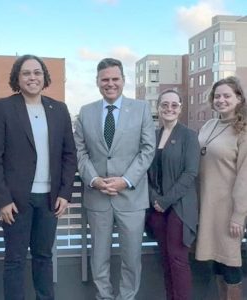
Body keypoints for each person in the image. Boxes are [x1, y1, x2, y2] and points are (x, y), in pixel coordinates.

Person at [0, 54, 77, 300]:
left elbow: (69, 154)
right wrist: (2, 199)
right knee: (14, 260)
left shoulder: (59, 109)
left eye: (37, 72)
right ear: (17, 77)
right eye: (26, 73)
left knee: (44, 257)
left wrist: (65, 194)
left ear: (44, 77)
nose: (32, 77)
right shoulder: (3, 107)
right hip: (15, 202)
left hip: (50, 200)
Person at [74, 58, 155, 300]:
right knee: (99, 258)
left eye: (115, 79)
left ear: (123, 80)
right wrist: (94, 180)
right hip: (98, 197)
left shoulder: (141, 109)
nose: (110, 84)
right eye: (105, 79)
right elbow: (80, 151)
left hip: (131, 197)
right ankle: (104, 297)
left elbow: (147, 149)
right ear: (98, 82)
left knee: (132, 258)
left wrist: (126, 180)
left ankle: (127, 297)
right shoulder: (86, 112)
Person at [195, 76, 247, 300]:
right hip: (207, 207)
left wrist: (238, 215)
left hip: (228, 210)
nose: (221, 100)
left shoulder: (243, 131)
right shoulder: (209, 125)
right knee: (216, 263)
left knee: (230, 265)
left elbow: (245, 176)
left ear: (238, 99)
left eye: (227, 95)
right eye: (217, 96)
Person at [146, 90, 200, 300]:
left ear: (180, 107)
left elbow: (190, 173)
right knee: (166, 259)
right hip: (157, 209)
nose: (169, 109)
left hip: (179, 207)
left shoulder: (188, 136)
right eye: (164, 105)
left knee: (178, 259)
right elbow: (145, 173)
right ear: (158, 108)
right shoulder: (153, 136)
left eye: (174, 105)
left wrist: (166, 200)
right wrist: (154, 199)